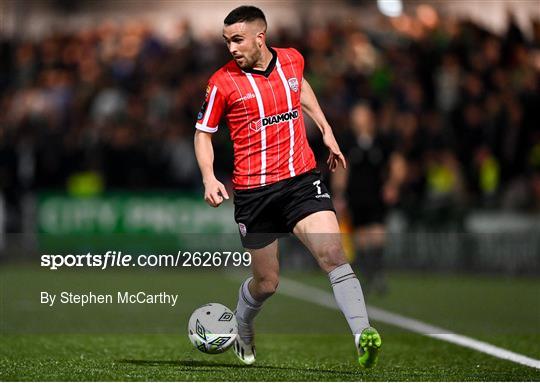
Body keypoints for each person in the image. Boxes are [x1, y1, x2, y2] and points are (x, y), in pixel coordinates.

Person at [193, 6, 381, 368]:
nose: (231, 48)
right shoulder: (221, 83)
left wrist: (325, 129)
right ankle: (243, 322)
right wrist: (209, 176)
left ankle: (363, 334)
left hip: (301, 181)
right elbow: (202, 134)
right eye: (227, 41)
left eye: (237, 40)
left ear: (260, 38)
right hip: (254, 193)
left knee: (333, 255)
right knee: (267, 283)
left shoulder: (292, 59)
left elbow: (300, 88)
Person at [333, 102, 407, 294]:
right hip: (355, 196)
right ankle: (367, 276)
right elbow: (341, 170)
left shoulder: (383, 140)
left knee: (377, 233)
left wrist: (393, 185)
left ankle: (379, 273)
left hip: (376, 195)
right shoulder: (348, 141)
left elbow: (397, 164)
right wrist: (339, 194)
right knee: (361, 237)